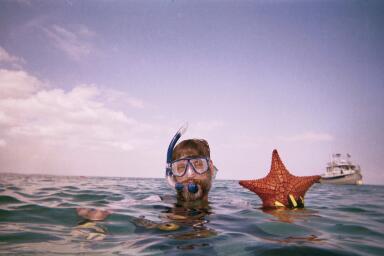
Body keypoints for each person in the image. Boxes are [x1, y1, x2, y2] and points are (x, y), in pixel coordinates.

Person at [165, 124, 218, 205]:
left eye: (198, 165)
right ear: (172, 175)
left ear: (210, 168)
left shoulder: (233, 206)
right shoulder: (155, 202)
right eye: (181, 167)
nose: (190, 174)